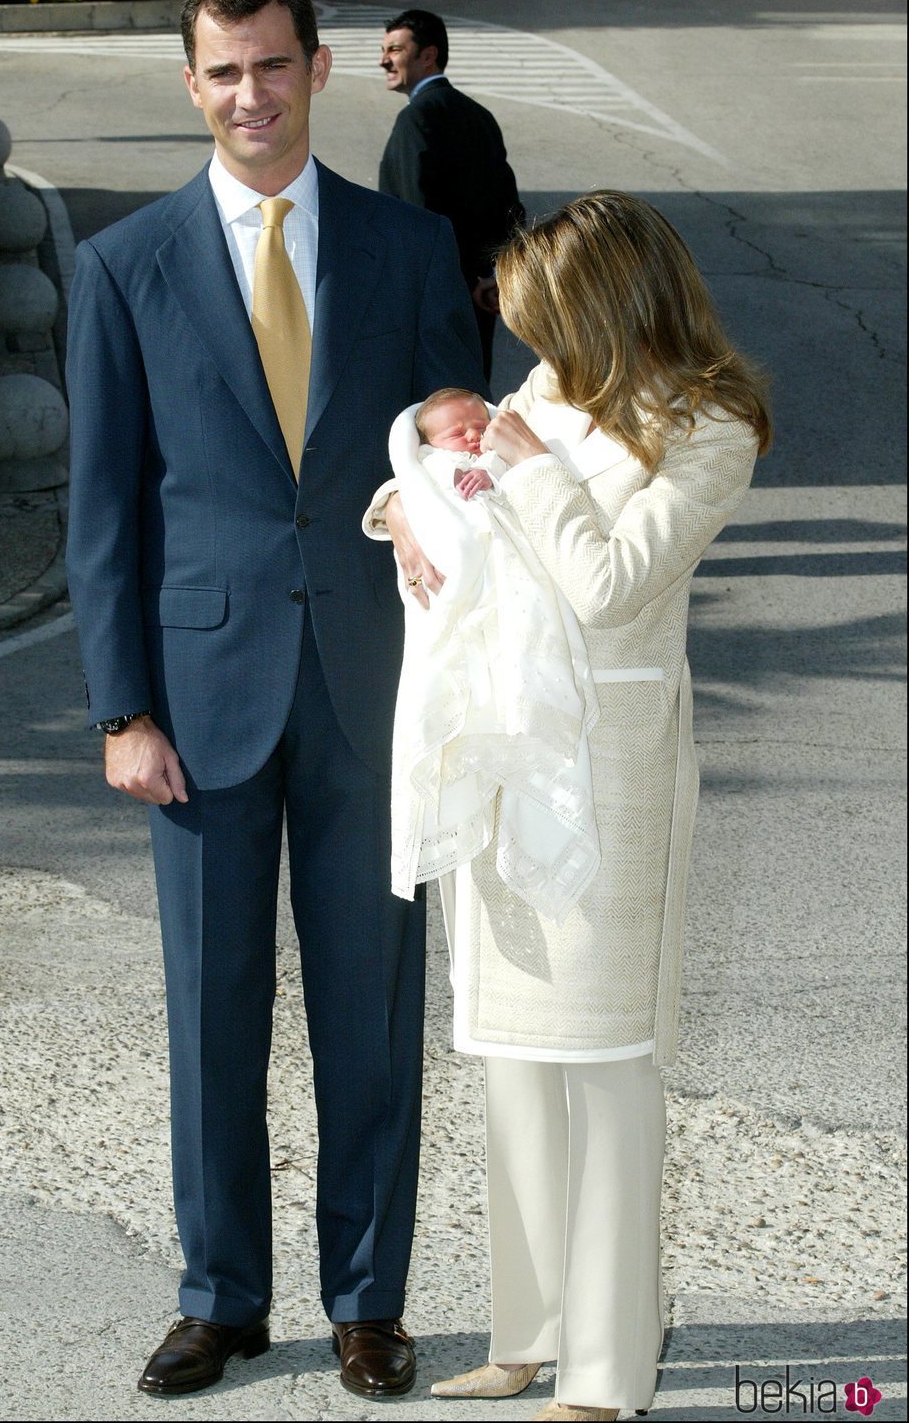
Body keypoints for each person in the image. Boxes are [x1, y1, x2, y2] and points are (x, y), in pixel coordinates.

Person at [64, 0, 486, 1402]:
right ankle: (221, 1297)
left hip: (379, 693)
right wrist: (122, 709)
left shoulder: (412, 248)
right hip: (194, 702)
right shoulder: (123, 268)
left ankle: (370, 1300)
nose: (250, 94)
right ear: (192, 85)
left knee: (371, 1010)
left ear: (314, 67)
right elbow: (104, 507)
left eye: (271, 64)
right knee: (211, 1010)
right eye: (221, 71)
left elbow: (451, 466)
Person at [372, 191, 772, 1421]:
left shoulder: (708, 427)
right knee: (509, 1064)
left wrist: (528, 471)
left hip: (609, 774)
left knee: (604, 1070)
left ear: (606, 306)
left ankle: (606, 1366)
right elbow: (444, 468)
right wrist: (401, 515)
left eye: (549, 318)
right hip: (500, 754)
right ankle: (525, 1331)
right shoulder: (541, 392)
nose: (530, 347)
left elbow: (605, 584)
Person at [379, 9, 525, 381]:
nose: (384, 60)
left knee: (437, 410)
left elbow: (414, 214)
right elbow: (506, 203)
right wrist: (493, 276)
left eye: (395, 49)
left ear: (427, 55)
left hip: (433, 298)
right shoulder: (479, 115)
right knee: (475, 397)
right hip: (481, 294)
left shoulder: (416, 121)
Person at [416, 387, 500, 498]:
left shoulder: (497, 452)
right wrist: (453, 474)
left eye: (482, 428)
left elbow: (509, 464)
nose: (474, 435)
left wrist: (489, 473)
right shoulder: (433, 455)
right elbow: (428, 464)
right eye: (457, 434)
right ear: (429, 443)